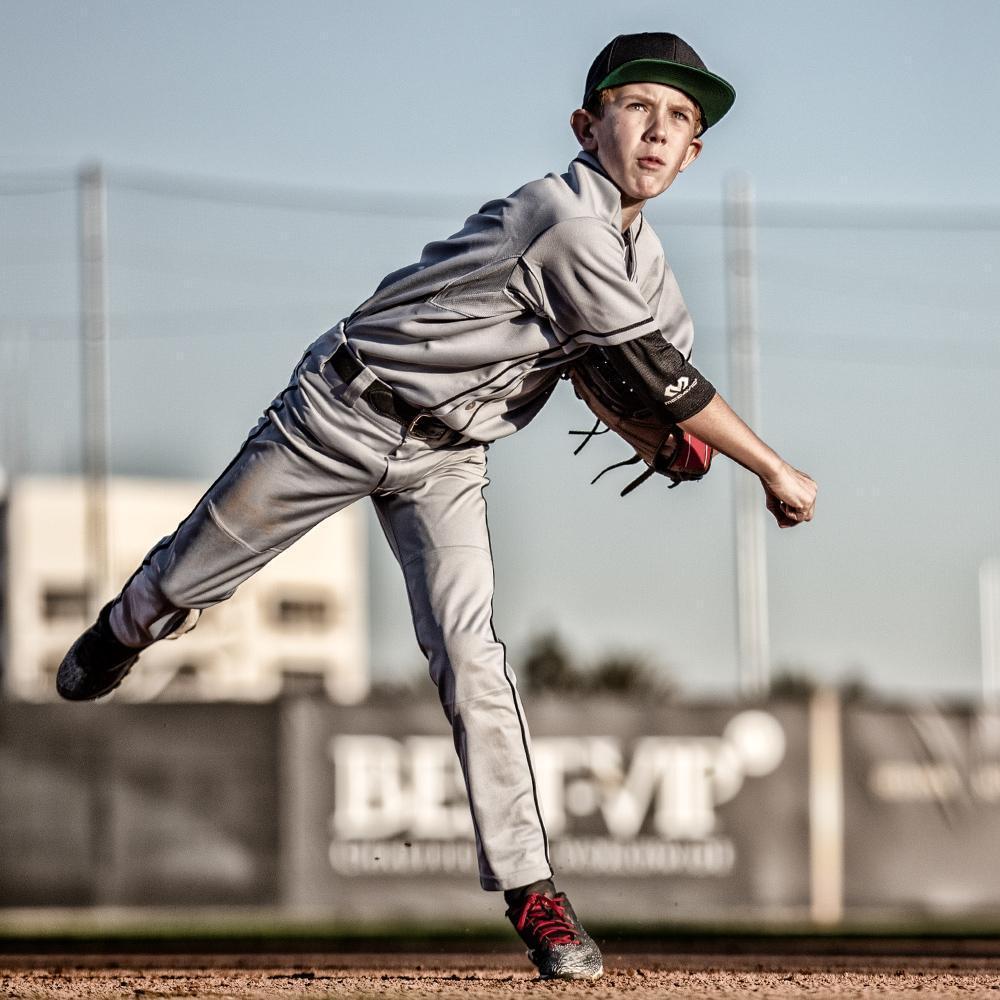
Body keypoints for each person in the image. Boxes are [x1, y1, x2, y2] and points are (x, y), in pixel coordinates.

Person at [56, 32, 817, 980]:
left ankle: (533, 893)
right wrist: (771, 468)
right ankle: (124, 627)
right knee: (192, 575)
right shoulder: (561, 215)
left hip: (449, 460)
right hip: (340, 409)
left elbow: (615, 377)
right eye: (640, 107)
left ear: (695, 154)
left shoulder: (648, 267)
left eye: (683, 121)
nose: (661, 132)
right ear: (588, 125)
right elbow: (661, 375)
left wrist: (653, 436)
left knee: (473, 655)